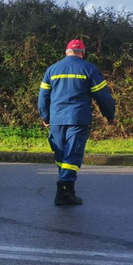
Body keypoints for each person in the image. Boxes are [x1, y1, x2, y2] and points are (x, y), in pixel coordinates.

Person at [38, 39, 116, 205]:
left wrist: (45, 116)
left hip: (57, 119)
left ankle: (67, 191)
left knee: (61, 154)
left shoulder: (51, 70)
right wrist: (109, 115)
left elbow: (43, 97)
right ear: (82, 53)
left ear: (66, 52)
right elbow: (103, 96)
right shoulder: (89, 69)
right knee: (73, 153)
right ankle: (65, 185)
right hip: (77, 118)